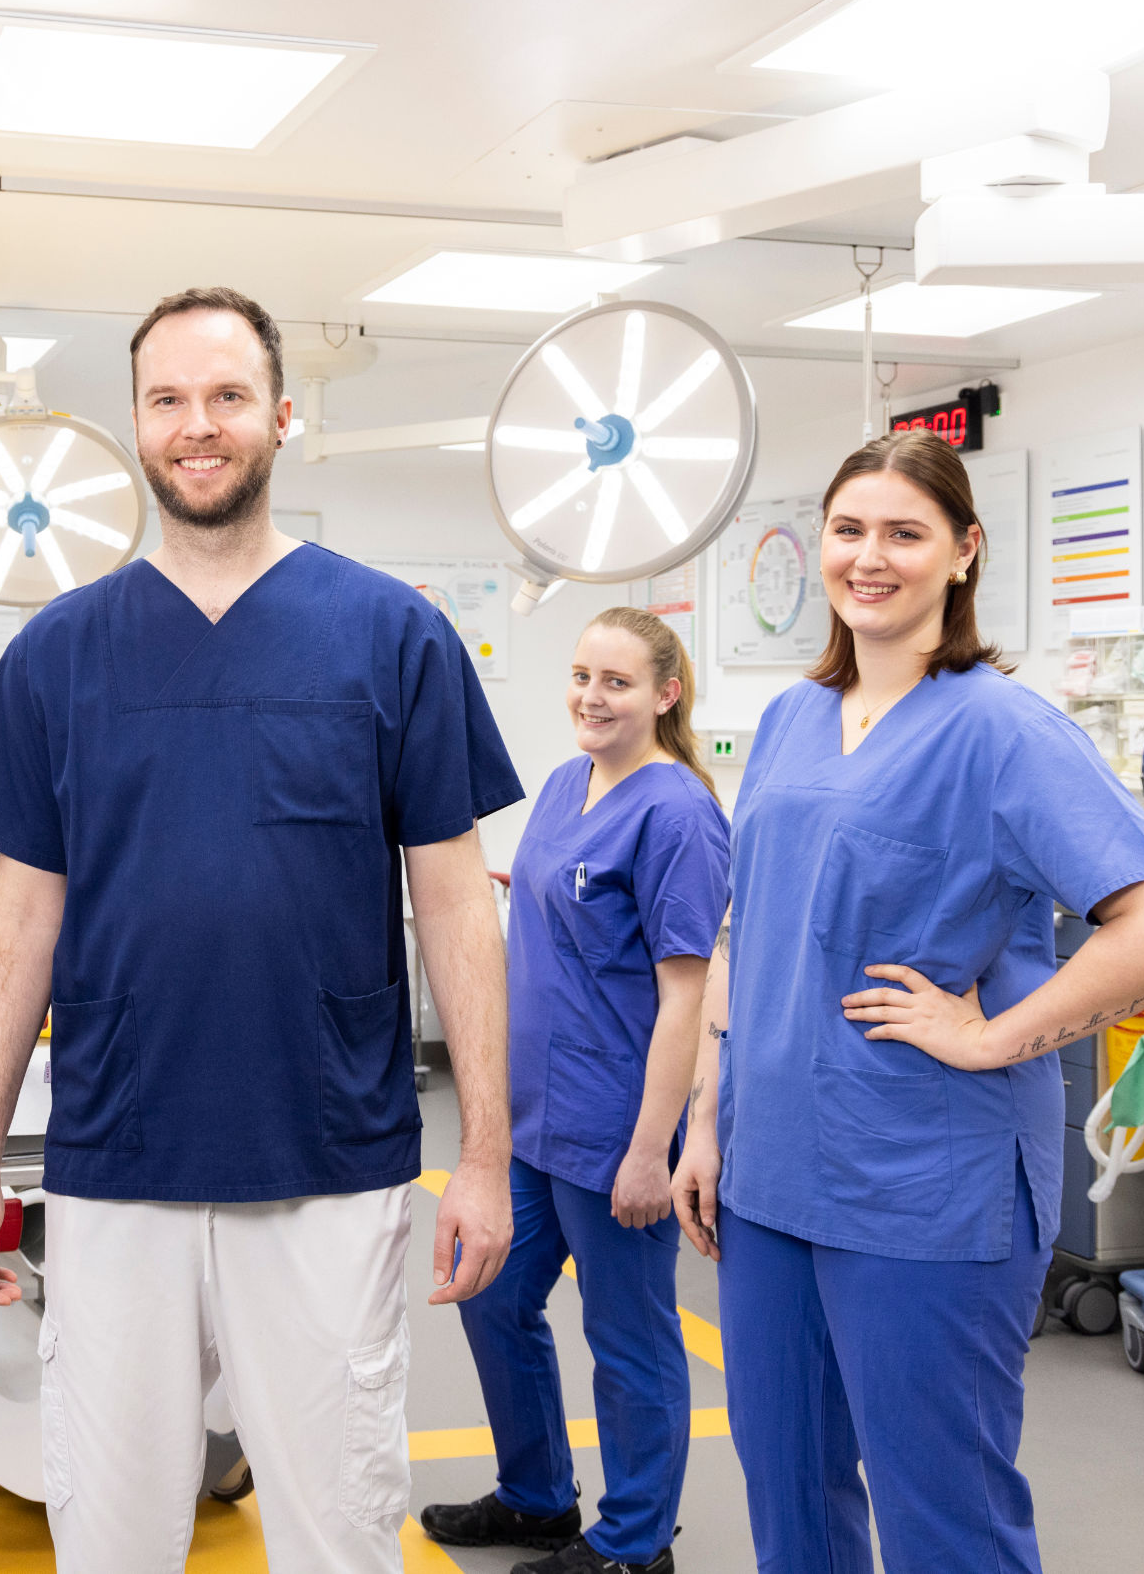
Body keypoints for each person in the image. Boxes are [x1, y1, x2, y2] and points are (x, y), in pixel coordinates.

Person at [0, 286, 524, 1574]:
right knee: (111, 1528)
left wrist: (483, 1159)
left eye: (226, 396)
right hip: (117, 1151)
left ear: (282, 416)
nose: (196, 425)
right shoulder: (57, 656)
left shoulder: (392, 636)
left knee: (337, 1528)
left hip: (326, 1153)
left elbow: (453, 908)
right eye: (167, 399)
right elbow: (21, 918)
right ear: (134, 423)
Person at [667, 431, 1144, 1574]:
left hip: (921, 1183)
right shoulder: (790, 719)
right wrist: (707, 1120)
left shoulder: (1000, 729)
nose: (868, 558)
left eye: (904, 534)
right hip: (769, 1173)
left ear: (964, 552)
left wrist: (992, 1036)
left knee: (942, 1517)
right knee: (787, 1492)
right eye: (848, 530)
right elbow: (747, 931)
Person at [426, 608, 728, 1574]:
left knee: (628, 1338)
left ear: (666, 694)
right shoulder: (567, 782)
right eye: (582, 676)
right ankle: (538, 1497)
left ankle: (636, 1544)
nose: (592, 697)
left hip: (614, 1122)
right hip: (532, 1118)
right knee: (491, 1295)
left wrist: (650, 1150)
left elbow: (686, 998)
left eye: (618, 682)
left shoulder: (678, 814)